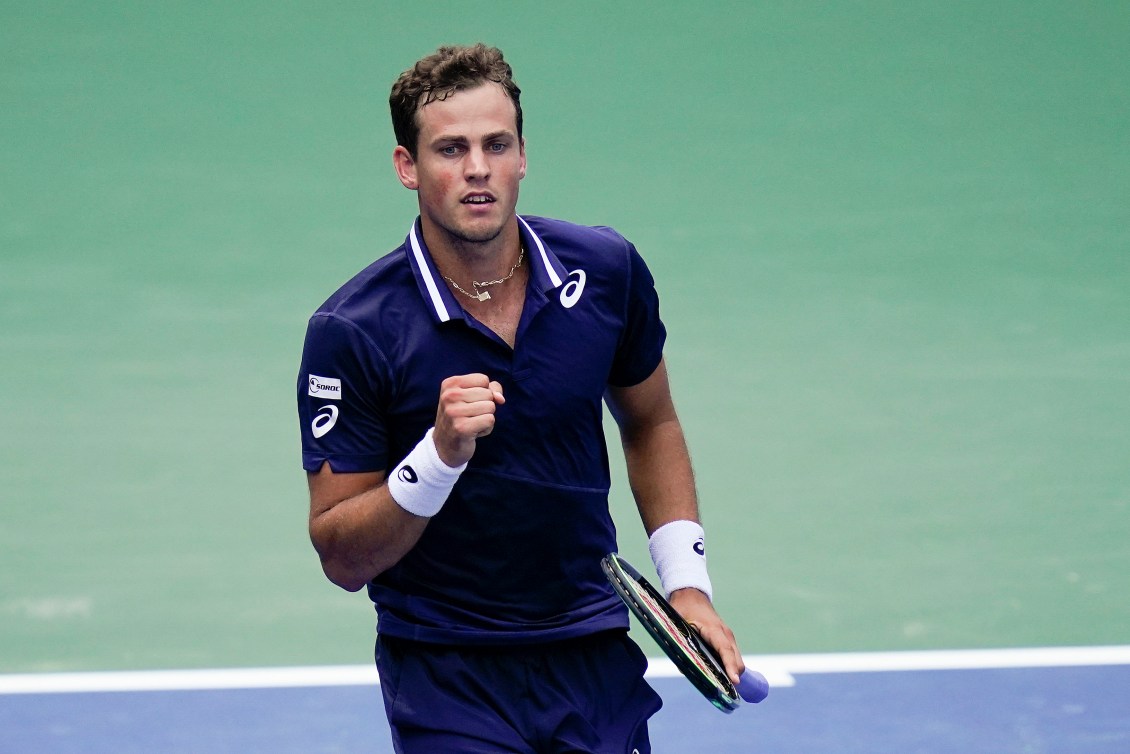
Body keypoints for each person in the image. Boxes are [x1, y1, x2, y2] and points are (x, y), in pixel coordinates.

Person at [297, 43, 746, 753]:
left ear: (522, 156)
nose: (477, 168)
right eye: (450, 149)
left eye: (495, 144)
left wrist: (687, 584)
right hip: (449, 673)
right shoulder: (353, 332)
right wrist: (437, 459)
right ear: (407, 167)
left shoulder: (604, 272)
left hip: (592, 650)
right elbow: (341, 558)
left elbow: (651, 420)